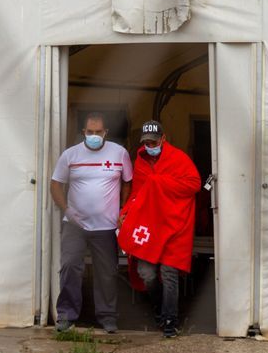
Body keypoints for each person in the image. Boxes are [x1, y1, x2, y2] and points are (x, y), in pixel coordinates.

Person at [118, 120, 201, 338]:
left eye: (153, 141)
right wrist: (126, 211)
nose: (149, 145)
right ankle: (158, 309)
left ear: (163, 139)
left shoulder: (178, 158)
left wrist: (159, 182)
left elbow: (194, 184)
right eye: (146, 142)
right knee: (147, 274)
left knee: (169, 273)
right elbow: (137, 191)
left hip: (173, 225)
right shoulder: (140, 161)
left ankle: (170, 321)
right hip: (149, 226)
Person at [51, 112, 132, 333]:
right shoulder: (71, 155)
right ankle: (66, 315)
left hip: (106, 226)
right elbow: (55, 184)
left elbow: (127, 182)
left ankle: (107, 317)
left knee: (107, 272)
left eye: (98, 132)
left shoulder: (119, 153)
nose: (94, 136)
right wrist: (66, 210)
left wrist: (122, 210)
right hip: (75, 225)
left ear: (105, 133)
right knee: (69, 267)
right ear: (83, 133)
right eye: (90, 132)